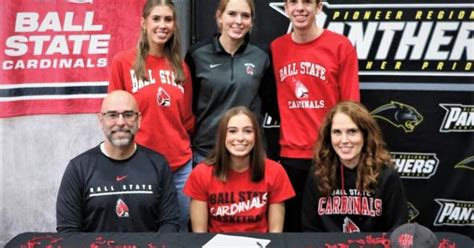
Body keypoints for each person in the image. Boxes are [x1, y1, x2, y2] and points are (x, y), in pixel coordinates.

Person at [270, 0, 360, 231]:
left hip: (330, 155)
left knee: (328, 231)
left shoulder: (341, 46)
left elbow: (351, 108)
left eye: (307, 2)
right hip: (291, 157)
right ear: (286, 8)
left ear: (319, 7)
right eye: (293, 2)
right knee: (293, 229)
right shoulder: (276, 48)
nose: (300, 7)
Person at [109, 0, 194, 232]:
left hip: (179, 167)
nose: (162, 25)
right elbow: (115, 117)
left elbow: (186, 120)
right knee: (140, 229)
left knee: (178, 230)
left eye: (168, 19)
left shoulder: (181, 68)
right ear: (144, 23)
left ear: (175, 25)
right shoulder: (122, 62)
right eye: (156, 18)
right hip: (139, 165)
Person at [56, 90, 180, 232]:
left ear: (139, 120)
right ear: (101, 120)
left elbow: (170, 223)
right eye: (112, 115)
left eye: (128, 115)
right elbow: (68, 231)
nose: (121, 122)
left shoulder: (159, 165)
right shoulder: (78, 169)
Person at [185, 0, 275, 164]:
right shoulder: (197, 55)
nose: (238, 21)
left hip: (251, 153)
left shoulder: (262, 56)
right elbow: (188, 107)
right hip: (208, 152)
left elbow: (271, 104)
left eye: (245, 16)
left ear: (252, 21)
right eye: (232, 14)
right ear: (219, 17)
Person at [183, 107, 295, 233]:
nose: (240, 138)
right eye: (232, 131)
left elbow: (276, 233)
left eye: (247, 131)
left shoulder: (275, 172)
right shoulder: (201, 173)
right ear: (222, 136)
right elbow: (200, 234)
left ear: (256, 136)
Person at [301, 101, 408, 232]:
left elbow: (398, 228)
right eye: (337, 132)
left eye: (352, 131)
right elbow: (310, 228)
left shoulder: (386, 173)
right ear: (329, 136)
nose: (344, 140)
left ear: (365, 135)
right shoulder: (318, 172)